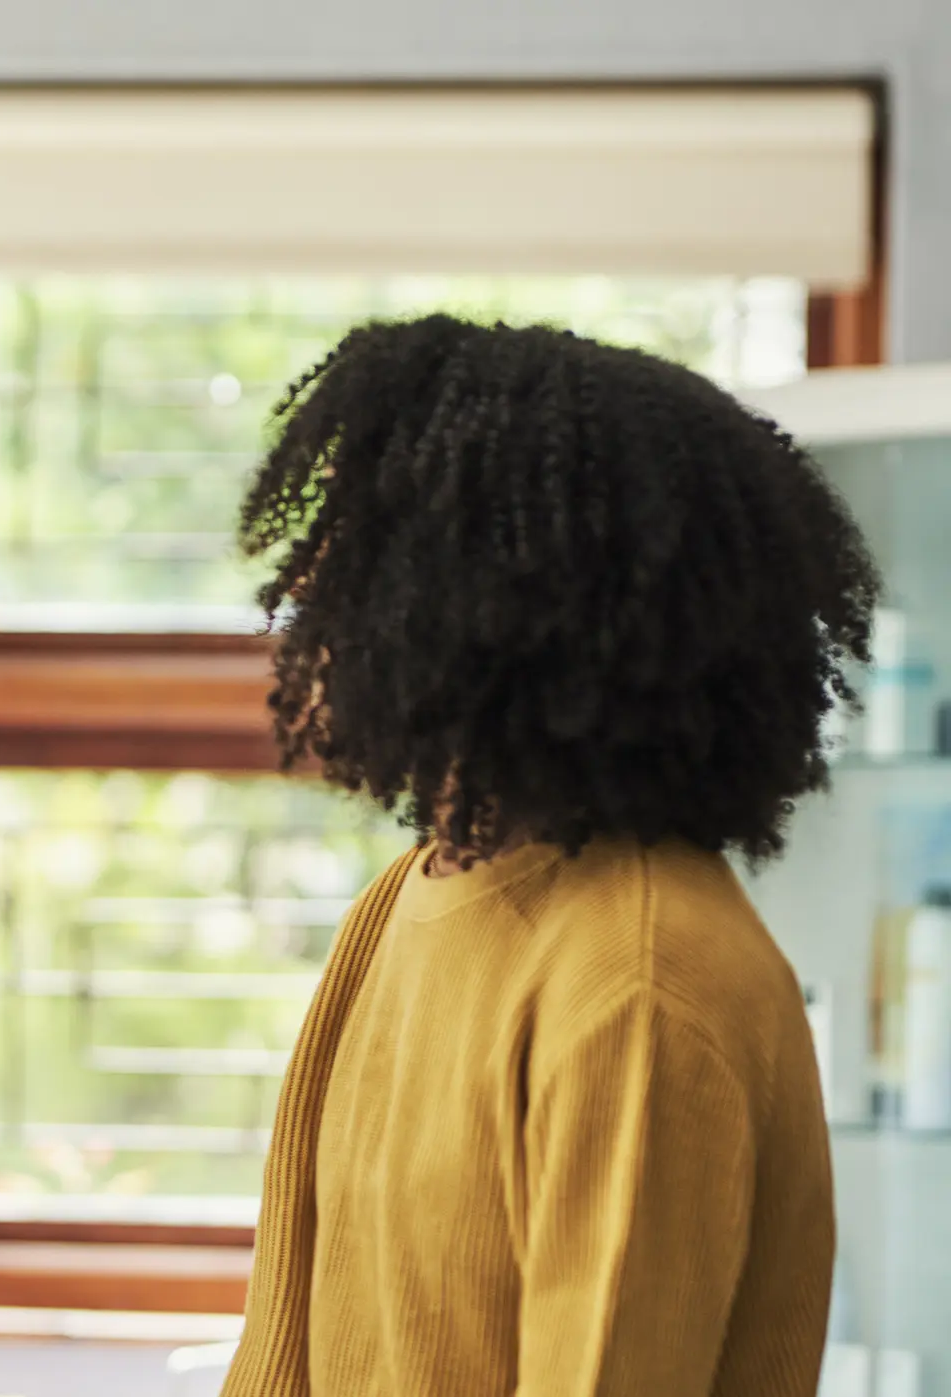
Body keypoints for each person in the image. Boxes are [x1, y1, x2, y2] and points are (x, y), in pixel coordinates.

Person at [223, 315, 874, 1397]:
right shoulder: (404, 897)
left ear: (483, 599)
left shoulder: (643, 982)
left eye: (355, 557)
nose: (306, 599)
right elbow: (283, 1345)